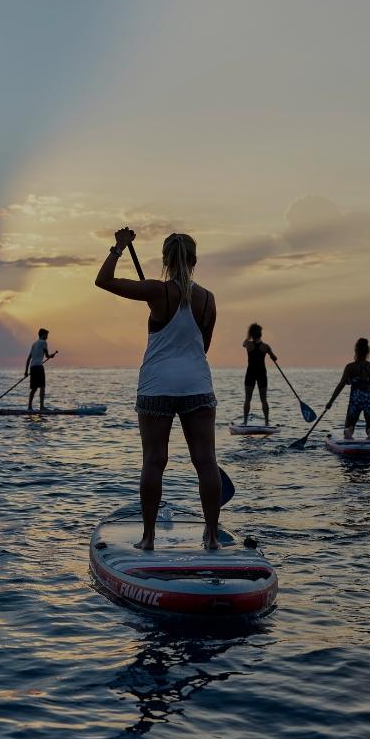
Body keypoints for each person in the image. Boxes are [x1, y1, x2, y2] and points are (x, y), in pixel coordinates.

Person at [96, 228, 221, 550]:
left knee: (154, 461)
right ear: (194, 260)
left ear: (165, 259)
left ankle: (149, 538)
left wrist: (119, 247)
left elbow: (104, 280)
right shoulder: (207, 299)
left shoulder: (156, 291)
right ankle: (211, 537)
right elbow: (202, 347)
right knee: (206, 461)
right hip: (197, 384)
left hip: (157, 385)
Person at [326, 337, 370, 440]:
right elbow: (369, 383)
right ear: (368, 351)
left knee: (349, 426)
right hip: (368, 398)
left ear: (356, 351)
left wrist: (331, 401)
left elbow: (341, 384)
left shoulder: (350, 367)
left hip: (355, 399)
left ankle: (348, 433)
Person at [241, 323, 277, 425]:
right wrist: (272, 357)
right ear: (260, 334)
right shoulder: (266, 347)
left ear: (251, 334)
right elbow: (274, 357)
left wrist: (249, 336)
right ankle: (266, 422)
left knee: (247, 399)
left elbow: (244, 343)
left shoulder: (248, 345)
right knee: (264, 399)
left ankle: (245, 421)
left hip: (250, 373)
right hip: (261, 374)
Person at [25, 328, 59, 412]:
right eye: (46, 335)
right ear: (42, 335)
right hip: (39, 367)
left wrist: (26, 371)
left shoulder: (34, 344)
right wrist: (51, 356)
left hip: (32, 367)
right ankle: (42, 407)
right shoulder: (44, 342)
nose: (47, 337)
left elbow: (29, 358)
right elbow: (47, 355)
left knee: (34, 388)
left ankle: (29, 407)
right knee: (42, 387)